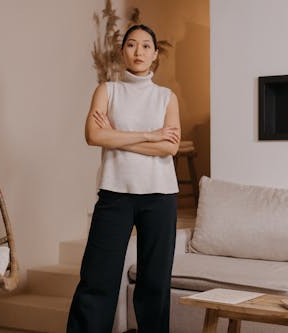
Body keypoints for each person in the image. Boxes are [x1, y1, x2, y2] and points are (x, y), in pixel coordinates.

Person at [67, 24, 180, 333]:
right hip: (115, 193)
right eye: (131, 45)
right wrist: (149, 135)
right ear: (122, 52)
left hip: (160, 196)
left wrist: (114, 135)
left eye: (146, 46)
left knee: (154, 282)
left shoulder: (166, 97)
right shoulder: (107, 90)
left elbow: (169, 146)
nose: (139, 51)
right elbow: (93, 135)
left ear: (155, 54)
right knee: (97, 278)